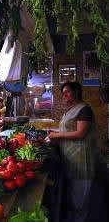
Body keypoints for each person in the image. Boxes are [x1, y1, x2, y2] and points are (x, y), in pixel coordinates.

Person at [47, 82, 98, 222]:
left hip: (82, 160)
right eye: (63, 93)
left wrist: (56, 136)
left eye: (67, 92)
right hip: (71, 159)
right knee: (72, 198)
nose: (65, 95)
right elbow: (68, 130)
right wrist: (56, 132)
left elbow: (81, 133)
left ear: (76, 92)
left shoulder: (84, 109)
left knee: (80, 200)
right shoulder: (71, 109)